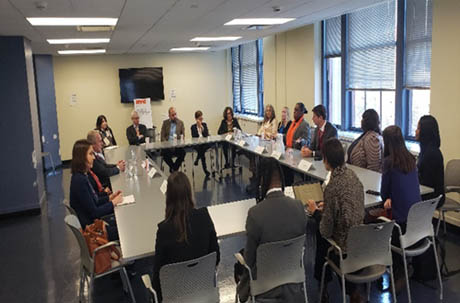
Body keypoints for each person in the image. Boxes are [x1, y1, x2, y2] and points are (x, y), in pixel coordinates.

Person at [236, 157, 307, 302]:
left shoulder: (255, 214)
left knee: (240, 264)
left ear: (261, 180)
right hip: (293, 282)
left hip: (264, 286)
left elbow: (249, 259)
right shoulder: (299, 207)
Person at [306, 138, 365, 303]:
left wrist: (315, 212)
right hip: (362, 240)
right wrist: (329, 206)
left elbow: (326, 230)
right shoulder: (353, 176)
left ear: (326, 160)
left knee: (319, 234)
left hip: (344, 245)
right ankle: (353, 292)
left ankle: (322, 284)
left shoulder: (332, 186)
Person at [153, 172, 220, 302]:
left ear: (168, 197)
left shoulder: (164, 229)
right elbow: (216, 257)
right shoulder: (204, 216)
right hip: (204, 293)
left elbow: (158, 276)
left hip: (175, 297)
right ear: (190, 193)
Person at [381, 125, 421, 291]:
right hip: (417, 220)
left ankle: (394, 269)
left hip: (400, 222)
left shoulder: (389, 163)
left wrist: (389, 196)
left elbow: (384, 194)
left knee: (372, 216)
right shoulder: (411, 159)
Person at [69, 139, 122, 240]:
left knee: (123, 220)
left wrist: (109, 198)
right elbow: (95, 212)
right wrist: (113, 202)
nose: (94, 157)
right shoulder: (79, 180)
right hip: (93, 229)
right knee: (124, 227)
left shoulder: (83, 176)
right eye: (90, 154)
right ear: (81, 157)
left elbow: (95, 200)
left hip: (94, 222)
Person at [416, 115, 445, 208]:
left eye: (418, 128)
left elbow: (426, 183)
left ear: (425, 132)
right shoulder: (426, 150)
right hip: (427, 192)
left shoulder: (431, 154)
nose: (416, 131)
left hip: (432, 196)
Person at [160, 107, 186, 172]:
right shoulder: (165, 123)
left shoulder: (180, 123)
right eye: (172, 115)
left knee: (183, 153)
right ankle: (173, 167)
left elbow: (183, 135)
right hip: (168, 146)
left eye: (175, 114)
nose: (174, 116)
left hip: (177, 146)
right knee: (164, 154)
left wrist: (180, 141)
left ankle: (174, 168)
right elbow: (162, 136)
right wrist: (167, 144)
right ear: (169, 115)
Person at [191, 110, 211, 177]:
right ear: (196, 119)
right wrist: (198, 127)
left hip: (204, 143)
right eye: (199, 118)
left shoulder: (204, 125)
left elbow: (206, 135)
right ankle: (205, 170)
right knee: (201, 150)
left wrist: (202, 128)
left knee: (204, 148)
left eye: (201, 118)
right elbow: (194, 137)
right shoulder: (193, 127)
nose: (201, 119)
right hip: (197, 144)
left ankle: (197, 159)